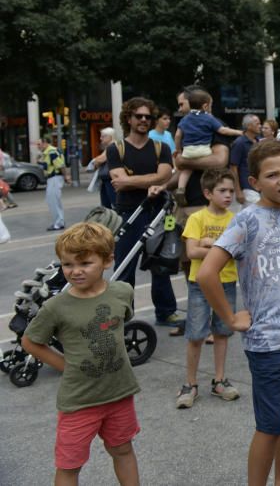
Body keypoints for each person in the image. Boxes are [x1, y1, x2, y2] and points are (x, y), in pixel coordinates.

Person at [197, 140, 280, 486]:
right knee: (269, 425)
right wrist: (230, 317)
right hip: (269, 344)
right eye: (272, 175)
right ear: (254, 182)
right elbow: (207, 274)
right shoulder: (247, 221)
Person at [21, 223, 140, 486]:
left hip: (119, 394)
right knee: (69, 464)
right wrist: (65, 365)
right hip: (79, 402)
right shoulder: (56, 307)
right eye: (67, 264)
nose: (75, 271)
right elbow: (30, 341)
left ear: (108, 260)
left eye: (85, 263)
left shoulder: (122, 292)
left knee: (122, 449)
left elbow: (121, 323)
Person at [105, 97, 178, 326]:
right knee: (125, 268)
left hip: (157, 213)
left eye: (148, 116)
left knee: (160, 264)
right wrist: (149, 180)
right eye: (139, 116)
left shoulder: (161, 147)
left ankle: (166, 312)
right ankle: (125, 317)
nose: (144, 120)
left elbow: (164, 176)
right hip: (128, 214)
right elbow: (119, 180)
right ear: (129, 118)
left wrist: (130, 181)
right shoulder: (116, 149)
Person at [175, 168, 241, 409]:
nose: (228, 196)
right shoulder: (197, 219)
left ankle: (220, 380)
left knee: (223, 332)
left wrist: (210, 244)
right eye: (222, 191)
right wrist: (222, 249)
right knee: (196, 334)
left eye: (231, 191)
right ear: (207, 193)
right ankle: (190, 383)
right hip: (200, 284)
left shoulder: (235, 219)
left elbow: (239, 251)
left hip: (227, 283)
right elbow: (191, 252)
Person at [173, 89, 241, 204]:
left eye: (181, 104)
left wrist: (180, 155)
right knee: (172, 221)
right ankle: (180, 192)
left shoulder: (186, 121)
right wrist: (164, 186)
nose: (180, 109)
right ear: (205, 105)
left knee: (186, 169)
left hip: (203, 202)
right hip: (187, 203)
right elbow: (180, 167)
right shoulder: (208, 120)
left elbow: (219, 161)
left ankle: (181, 189)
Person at [229, 113, 262, 210]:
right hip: (247, 188)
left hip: (259, 187)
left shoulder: (258, 142)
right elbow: (233, 168)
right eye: (257, 123)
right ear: (248, 126)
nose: (260, 126)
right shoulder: (239, 143)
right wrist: (238, 191)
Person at [37, 137, 70, 231]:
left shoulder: (51, 152)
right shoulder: (48, 152)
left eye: (39, 144)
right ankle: (59, 222)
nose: (38, 146)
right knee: (52, 200)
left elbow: (60, 165)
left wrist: (66, 176)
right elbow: (48, 165)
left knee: (54, 201)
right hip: (52, 179)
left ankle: (59, 223)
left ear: (45, 143)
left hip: (55, 178)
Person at [88, 127, 117, 209]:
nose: (101, 138)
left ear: (110, 136)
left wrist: (96, 161)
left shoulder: (113, 146)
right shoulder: (109, 147)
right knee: (106, 204)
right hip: (106, 179)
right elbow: (97, 161)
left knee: (112, 203)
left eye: (103, 136)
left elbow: (99, 161)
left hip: (110, 179)